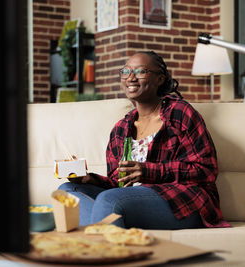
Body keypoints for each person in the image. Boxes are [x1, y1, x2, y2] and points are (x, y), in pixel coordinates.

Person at [58, 51, 229, 229]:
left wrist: (149, 171)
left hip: (183, 202)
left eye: (140, 71)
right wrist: (89, 180)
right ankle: (110, 232)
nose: (130, 78)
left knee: (109, 201)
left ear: (160, 79)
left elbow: (206, 170)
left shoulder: (179, 113)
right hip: (127, 201)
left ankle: (103, 247)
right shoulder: (120, 129)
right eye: (125, 71)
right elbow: (119, 184)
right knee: (67, 191)